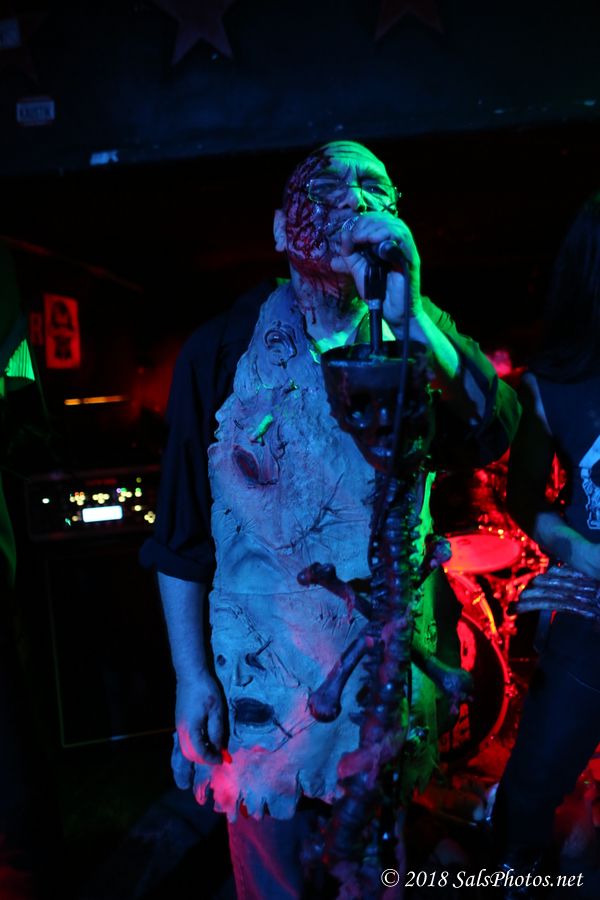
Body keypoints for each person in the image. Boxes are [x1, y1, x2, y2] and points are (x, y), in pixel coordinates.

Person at [141, 140, 520, 897]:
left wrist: (413, 316)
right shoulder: (221, 348)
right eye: (331, 188)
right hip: (265, 678)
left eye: (376, 188)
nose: (358, 201)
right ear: (283, 229)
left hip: (382, 679)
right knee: (273, 878)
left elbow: (495, 427)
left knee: (376, 874)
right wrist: (191, 678)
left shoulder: (418, 337)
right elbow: (180, 535)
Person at [492, 191, 600, 896]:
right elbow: (525, 496)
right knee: (525, 802)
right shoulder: (553, 384)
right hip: (593, 617)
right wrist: (580, 551)